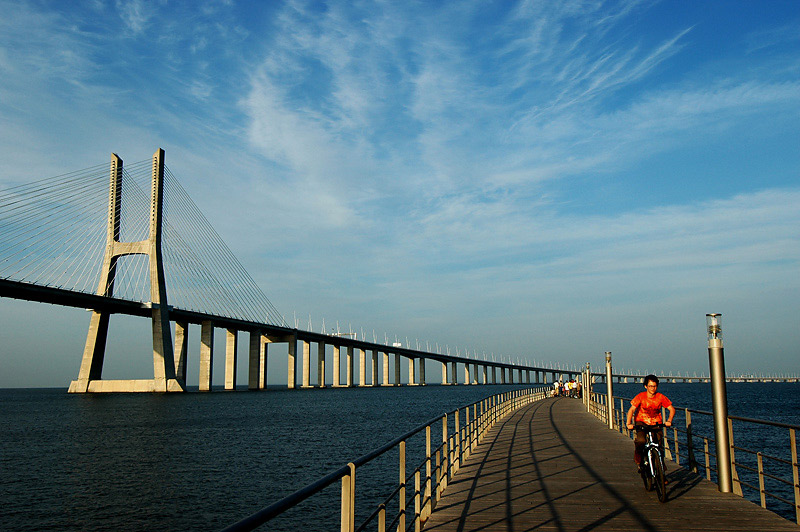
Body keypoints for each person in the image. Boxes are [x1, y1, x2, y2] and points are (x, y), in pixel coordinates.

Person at [625, 375, 675, 474]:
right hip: (641, 422)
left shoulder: (660, 397)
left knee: (659, 446)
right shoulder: (641, 396)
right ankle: (639, 458)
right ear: (646, 386)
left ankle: (661, 472)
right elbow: (632, 410)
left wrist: (669, 420)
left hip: (656, 423)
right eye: (651, 386)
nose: (653, 388)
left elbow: (671, 409)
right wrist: (628, 423)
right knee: (641, 440)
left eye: (655, 386)